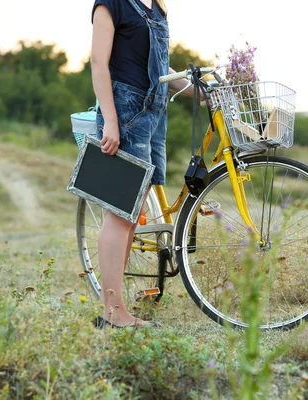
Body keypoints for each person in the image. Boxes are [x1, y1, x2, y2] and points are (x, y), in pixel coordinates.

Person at [90, 0, 196, 328]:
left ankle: (115, 306)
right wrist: (109, 120)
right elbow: (98, 62)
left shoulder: (157, 8)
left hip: (153, 116)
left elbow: (161, 70)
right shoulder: (112, 3)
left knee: (133, 214)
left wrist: (198, 90)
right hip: (123, 110)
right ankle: (113, 312)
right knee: (121, 213)